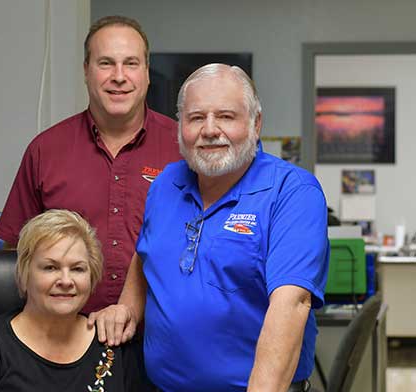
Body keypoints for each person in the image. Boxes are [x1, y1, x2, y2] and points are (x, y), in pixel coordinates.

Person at [89, 64, 329, 392]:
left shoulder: (291, 191)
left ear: (256, 123)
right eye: (196, 117)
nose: (210, 130)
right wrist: (127, 308)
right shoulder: (165, 184)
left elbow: (291, 304)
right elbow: (147, 254)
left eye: (226, 116)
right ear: (180, 127)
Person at [0, 15, 180, 314]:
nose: (119, 76)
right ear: (85, 71)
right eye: (106, 63)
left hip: (159, 337)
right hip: (66, 337)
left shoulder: (183, 149)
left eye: (131, 63)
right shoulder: (46, 150)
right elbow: (17, 251)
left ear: (146, 72)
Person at [0, 209, 153, 391]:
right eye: (50, 267)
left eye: (77, 269)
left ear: (92, 277)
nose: (66, 280)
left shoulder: (116, 347)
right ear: (25, 274)